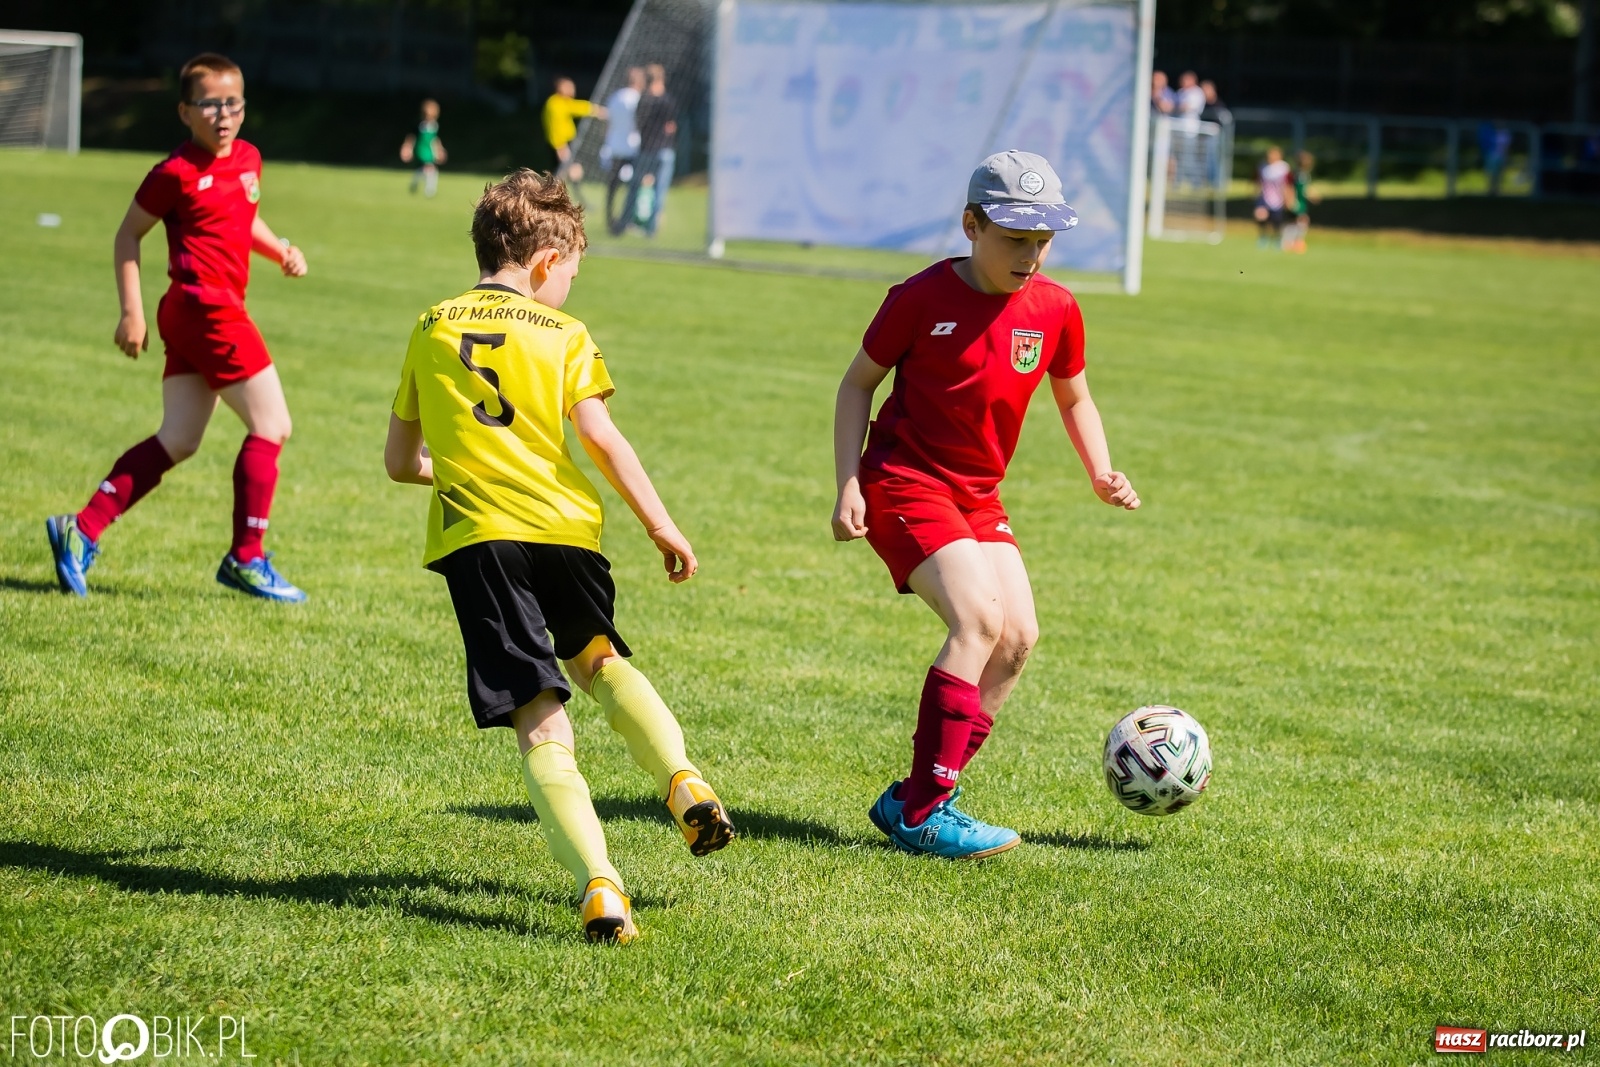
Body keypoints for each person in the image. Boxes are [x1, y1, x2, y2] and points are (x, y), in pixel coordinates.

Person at [384, 169, 735, 942]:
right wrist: (661, 523)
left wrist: (464, 469)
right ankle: (683, 781)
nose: (572, 283)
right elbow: (601, 439)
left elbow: (401, 460)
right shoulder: (564, 334)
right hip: (567, 529)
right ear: (546, 261)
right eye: (574, 268)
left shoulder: (432, 324)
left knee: (540, 720)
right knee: (600, 660)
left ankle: (602, 887)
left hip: (481, 540)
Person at [831, 151, 1141, 860]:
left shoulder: (1057, 309)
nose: (1030, 255)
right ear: (971, 224)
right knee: (978, 620)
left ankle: (917, 797)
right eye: (1014, 238)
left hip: (977, 495)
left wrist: (1101, 470)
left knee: (1018, 638)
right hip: (904, 479)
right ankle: (927, 812)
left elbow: (1075, 395)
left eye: (1042, 241)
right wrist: (848, 481)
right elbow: (856, 387)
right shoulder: (918, 297)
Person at [46, 52, 310, 602]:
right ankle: (247, 557)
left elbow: (243, 217)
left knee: (179, 438)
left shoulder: (249, 160)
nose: (223, 114)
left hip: (204, 313)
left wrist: (278, 248)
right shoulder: (173, 174)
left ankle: (82, 528)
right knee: (272, 425)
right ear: (185, 112)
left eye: (232, 102)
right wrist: (131, 311)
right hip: (204, 309)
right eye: (209, 104)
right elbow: (127, 236)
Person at [613, 65, 677, 238]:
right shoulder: (667, 101)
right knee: (659, 190)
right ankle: (651, 229)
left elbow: (638, 123)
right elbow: (671, 127)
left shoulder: (643, 100)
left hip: (645, 150)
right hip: (664, 150)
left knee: (633, 188)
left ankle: (625, 222)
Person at [542, 76, 606, 196]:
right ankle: (551, 197)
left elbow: (578, 107)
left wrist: (597, 110)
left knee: (574, 171)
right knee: (564, 173)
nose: (573, 89)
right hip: (561, 144)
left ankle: (573, 197)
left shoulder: (562, 102)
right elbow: (555, 128)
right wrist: (560, 147)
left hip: (566, 143)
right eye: (570, 87)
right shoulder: (555, 104)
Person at [601, 67, 646, 234]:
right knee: (634, 186)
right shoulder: (637, 99)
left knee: (612, 186)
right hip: (633, 147)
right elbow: (639, 123)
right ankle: (628, 220)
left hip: (614, 147)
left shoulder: (615, 97)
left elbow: (608, 123)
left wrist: (606, 144)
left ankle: (610, 218)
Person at [400, 99, 447, 198]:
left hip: (430, 150)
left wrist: (440, 150)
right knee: (430, 168)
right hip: (421, 149)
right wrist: (407, 148)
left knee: (425, 170)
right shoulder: (419, 125)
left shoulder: (435, 125)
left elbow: (435, 139)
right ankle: (429, 190)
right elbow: (411, 137)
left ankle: (415, 182)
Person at [1254, 145, 1291, 248]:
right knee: (1260, 215)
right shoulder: (1262, 166)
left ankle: (1277, 239)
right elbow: (1259, 181)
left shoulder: (1283, 168)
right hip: (1265, 197)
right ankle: (1263, 237)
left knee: (1276, 221)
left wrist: (1287, 198)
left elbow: (1287, 184)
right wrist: (1255, 192)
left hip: (1278, 198)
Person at [1283, 150, 1318, 254]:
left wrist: (1312, 195)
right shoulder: (1296, 174)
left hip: (1302, 202)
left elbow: (1305, 188)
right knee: (1301, 221)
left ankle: (1294, 242)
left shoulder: (1305, 174)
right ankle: (1290, 242)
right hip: (1296, 201)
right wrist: (1290, 200)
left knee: (1299, 222)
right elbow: (1290, 187)